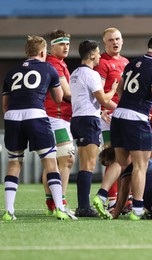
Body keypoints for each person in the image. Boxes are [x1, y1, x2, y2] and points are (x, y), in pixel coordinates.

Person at [92, 35, 152, 221]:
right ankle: (137, 208)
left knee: (121, 161)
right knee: (140, 165)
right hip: (136, 119)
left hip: (119, 115)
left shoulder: (132, 64)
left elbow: (121, 90)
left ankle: (101, 194)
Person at [2, 35, 74, 220]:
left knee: (14, 162)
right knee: (50, 162)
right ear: (43, 52)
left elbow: (5, 104)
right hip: (35, 114)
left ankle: (9, 211)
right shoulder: (48, 67)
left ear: (27, 52)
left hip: (12, 116)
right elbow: (59, 98)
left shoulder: (12, 71)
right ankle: (59, 208)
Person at [70, 40, 117, 217]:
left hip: (78, 119)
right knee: (88, 165)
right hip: (89, 120)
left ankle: (83, 205)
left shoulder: (75, 72)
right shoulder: (92, 74)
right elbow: (104, 100)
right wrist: (113, 89)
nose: (99, 55)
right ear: (91, 55)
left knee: (84, 165)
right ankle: (84, 207)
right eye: (97, 52)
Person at [94, 27, 129, 208]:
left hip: (125, 117)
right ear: (104, 43)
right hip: (108, 117)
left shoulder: (126, 62)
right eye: (110, 40)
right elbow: (99, 93)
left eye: (117, 39)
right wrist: (104, 109)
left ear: (122, 40)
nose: (115, 42)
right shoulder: (102, 63)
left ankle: (125, 198)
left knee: (127, 157)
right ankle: (112, 200)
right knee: (112, 156)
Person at [42, 29, 75, 216]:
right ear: (52, 46)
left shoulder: (58, 63)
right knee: (67, 159)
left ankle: (51, 203)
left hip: (54, 117)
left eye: (68, 44)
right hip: (56, 117)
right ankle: (60, 202)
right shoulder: (55, 64)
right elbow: (68, 94)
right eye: (62, 44)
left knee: (51, 161)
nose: (66, 47)